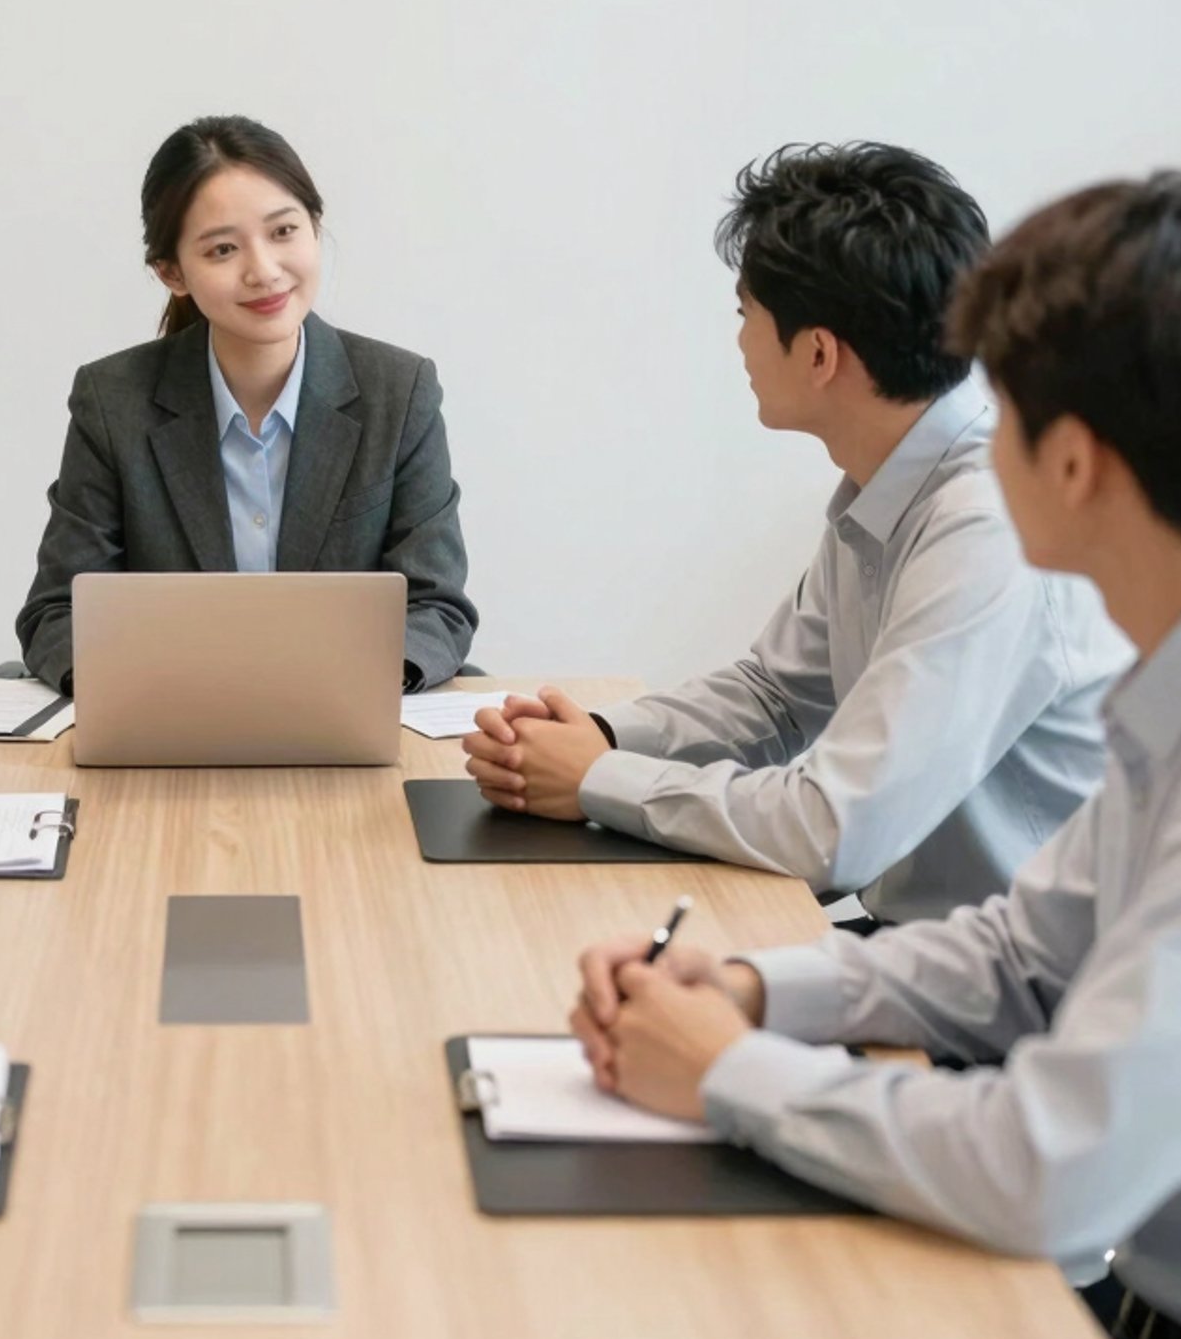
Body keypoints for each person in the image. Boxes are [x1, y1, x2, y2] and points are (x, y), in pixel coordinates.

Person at [567, 173, 1181, 1339]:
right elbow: (1028, 948)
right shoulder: (1173, 695)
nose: (974, 423)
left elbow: (1049, 1166)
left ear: (1070, 461)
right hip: (1128, 1308)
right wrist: (756, 991)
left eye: (1005, 407)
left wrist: (732, 1073)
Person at [466, 142, 1125, 924]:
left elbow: (835, 827)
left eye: (746, 314)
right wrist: (597, 735)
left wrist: (596, 778)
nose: (739, 341)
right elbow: (776, 698)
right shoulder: (891, 483)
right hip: (922, 953)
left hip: (1012, 999)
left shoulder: (988, 528)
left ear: (818, 353)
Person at [15, 115, 477, 692]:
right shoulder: (113, 401)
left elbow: (438, 606)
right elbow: (57, 613)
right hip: (170, 719)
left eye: (283, 232)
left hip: (344, 718)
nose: (263, 271)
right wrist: (143, 691)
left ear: (314, 227)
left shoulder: (399, 391)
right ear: (172, 272)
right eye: (223, 249)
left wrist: (362, 683)